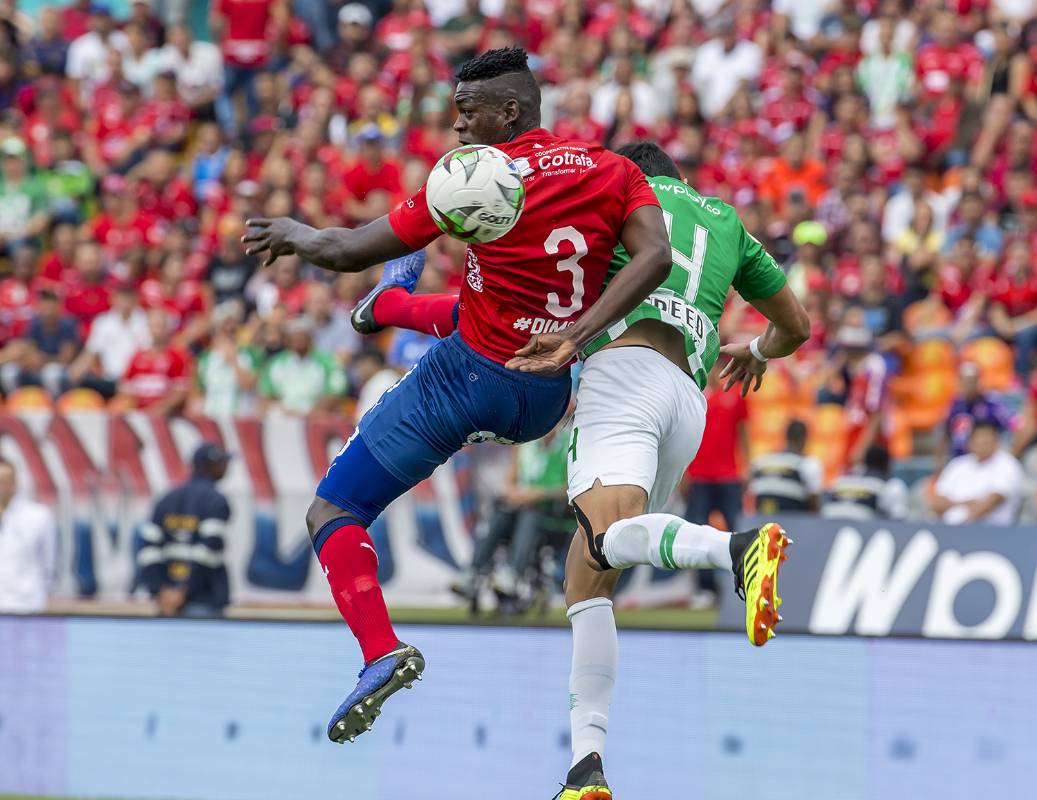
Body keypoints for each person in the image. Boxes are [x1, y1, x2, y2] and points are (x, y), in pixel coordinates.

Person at [348, 141, 811, 797]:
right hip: (688, 398)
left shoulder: (617, 205)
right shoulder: (726, 222)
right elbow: (796, 325)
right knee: (586, 576)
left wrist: (398, 307)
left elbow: (514, 294)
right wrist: (759, 349)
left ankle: (736, 550)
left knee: (602, 534)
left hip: (624, 374)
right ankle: (585, 766)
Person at [240, 47, 672, 747]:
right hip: (546, 390)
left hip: (470, 381)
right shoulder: (610, 168)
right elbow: (654, 256)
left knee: (334, 508)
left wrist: (295, 234)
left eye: (467, 116)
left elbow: (347, 248)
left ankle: (379, 652)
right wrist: (575, 334)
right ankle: (388, 308)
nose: (457, 132)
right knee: (481, 304)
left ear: (510, 110)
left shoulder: (470, 178)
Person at [451, 417, 570, 606]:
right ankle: (473, 571)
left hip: (551, 514)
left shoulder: (568, 444)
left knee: (530, 514)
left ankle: (513, 574)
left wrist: (536, 495)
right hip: (521, 508)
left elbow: (568, 488)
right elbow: (508, 483)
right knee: (502, 512)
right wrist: (517, 495)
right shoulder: (525, 445)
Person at [137, 443, 233, 617]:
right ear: (211, 465)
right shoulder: (215, 500)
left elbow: (148, 550)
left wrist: (160, 590)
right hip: (203, 599)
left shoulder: (167, 498)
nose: (226, 468)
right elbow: (209, 551)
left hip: (166, 603)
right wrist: (183, 590)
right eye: (223, 463)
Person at [930, 420, 1024, 525]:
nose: (981, 444)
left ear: (997, 442)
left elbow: (992, 502)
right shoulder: (957, 464)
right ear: (969, 443)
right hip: (949, 529)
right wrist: (969, 503)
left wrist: (961, 522)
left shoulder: (1007, 464)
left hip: (993, 532)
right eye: (977, 440)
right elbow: (937, 503)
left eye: (985, 441)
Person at [0, 458, 57, 613]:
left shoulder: (38, 516)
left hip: (26, 607)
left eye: (4, 482)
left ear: (14, 485)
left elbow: (48, 564)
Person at [938, 361, 1015, 469]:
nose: (968, 386)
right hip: (960, 462)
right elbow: (945, 435)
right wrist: (940, 466)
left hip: (989, 461)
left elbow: (1013, 425)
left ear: (979, 381)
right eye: (964, 381)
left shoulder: (991, 403)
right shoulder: (953, 406)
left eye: (972, 381)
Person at [749, 419, 824, 513]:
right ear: (803, 439)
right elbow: (814, 505)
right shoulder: (808, 463)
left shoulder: (762, 461)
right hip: (793, 522)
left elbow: (751, 492)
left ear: (786, 437)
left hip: (762, 522)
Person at [821, 444, 909, 521]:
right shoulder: (890, 486)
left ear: (865, 462)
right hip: (862, 534)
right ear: (886, 464)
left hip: (828, 529)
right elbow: (898, 519)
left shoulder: (840, 481)